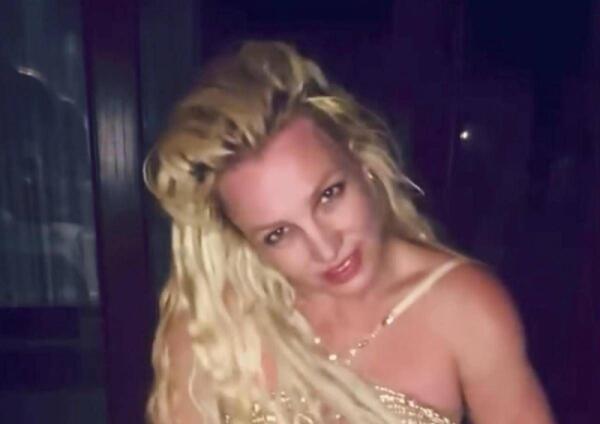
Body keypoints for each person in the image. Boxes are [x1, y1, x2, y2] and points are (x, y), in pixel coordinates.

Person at [144, 41, 553, 423]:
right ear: (242, 237)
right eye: (279, 234)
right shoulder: (213, 326)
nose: (326, 248)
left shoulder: (464, 308)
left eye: (329, 195)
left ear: (361, 161)